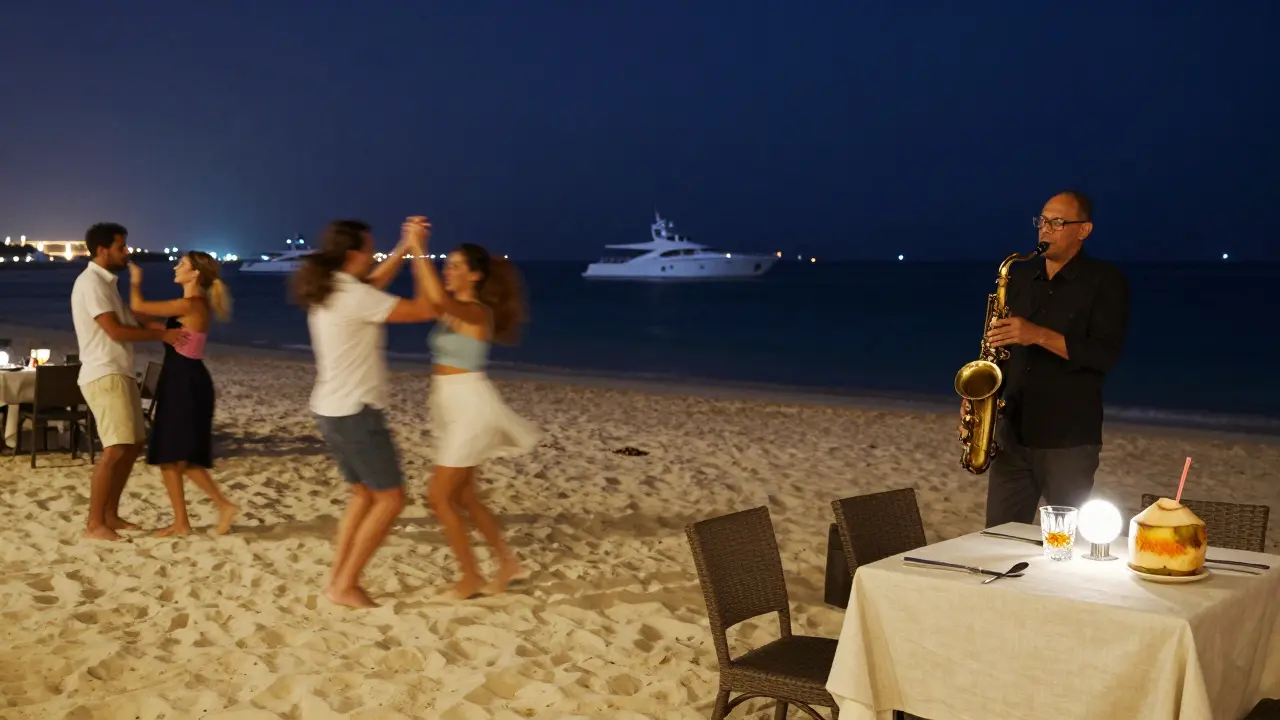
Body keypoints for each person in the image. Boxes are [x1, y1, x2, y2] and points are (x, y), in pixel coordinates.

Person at [293, 217, 435, 609]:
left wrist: (403, 248)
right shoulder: (354, 296)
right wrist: (421, 251)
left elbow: (372, 285)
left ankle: (339, 579)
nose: (374, 254)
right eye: (370, 248)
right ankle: (345, 585)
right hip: (356, 412)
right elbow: (425, 307)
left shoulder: (334, 287)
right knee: (390, 500)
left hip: (331, 408)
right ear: (354, 254)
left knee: (363, 495)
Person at [975, 191, 1131, 527]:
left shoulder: (1105, 281)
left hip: (1068, 441)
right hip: (1012, 435)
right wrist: (980, 399)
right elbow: (999, 349)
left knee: (1067, 547)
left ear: (1083, 230)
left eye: (1057, 222)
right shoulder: (1018, 278)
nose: (1045, 229)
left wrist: (1037, 334)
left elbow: (1104, 355)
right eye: (1042, 221)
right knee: (998, 539)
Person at [416, 218, 539, 599]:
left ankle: (470, 577)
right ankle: (507, 563)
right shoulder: (456, 308)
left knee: (439, 498)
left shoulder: (475, 312)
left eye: (455, 265)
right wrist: (412, 252)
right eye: (445, 264)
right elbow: (431, 297)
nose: (447, 270)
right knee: (466, 497)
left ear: (474, 275)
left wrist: (417, 247)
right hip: (452, 406)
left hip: (471, 408)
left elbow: (436, 299)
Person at [71, 223, 186, 541]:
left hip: (118, 371)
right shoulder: (91, 283)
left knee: (132, 444)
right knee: (115, 448)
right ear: (102, 250)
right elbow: (115, 331)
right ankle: (95, 524)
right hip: (104, 372)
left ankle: (110, 514)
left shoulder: (107, 284)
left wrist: (171, 324)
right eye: (122, 247)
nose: (127, 252)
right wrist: (162, 334)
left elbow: (130, 319)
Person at [128, 251, 238, 536]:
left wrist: (135, 280)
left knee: (178, 455)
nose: (176, 267)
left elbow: (139, 305)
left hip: (186, 384)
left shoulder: (190, 304)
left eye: (183, 265)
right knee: (170, 456)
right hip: (179, 380)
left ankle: (221, 506)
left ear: (195, 274)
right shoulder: (188, 307)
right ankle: (182, 522)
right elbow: (148, 321)